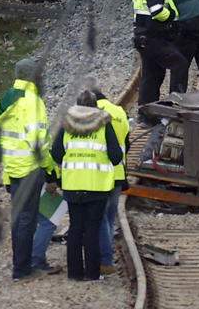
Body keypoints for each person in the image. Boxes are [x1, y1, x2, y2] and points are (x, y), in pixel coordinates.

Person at [50, 95, 123, 282]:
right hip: (97, 186)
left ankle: (74, 274)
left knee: (75, 228)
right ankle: (92, 274)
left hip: (73, 184)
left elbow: (56, 153)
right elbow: (115, 157)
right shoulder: (104, 124)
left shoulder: (67, 125)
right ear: (95, 106)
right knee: (92, 229)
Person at [0, 54, 53, 281]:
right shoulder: (33, 102)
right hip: (30, 168)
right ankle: (22, 269)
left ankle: (19, 265)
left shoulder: (5, 100)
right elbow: (39, 141)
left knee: (19, 219)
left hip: (12, 168)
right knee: (27, 220)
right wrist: (50, 169)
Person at [131, 0, 181, 112]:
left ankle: (147, 112)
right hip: (152, 39)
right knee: (179, 64)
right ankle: (176, 105)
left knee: (153, 75)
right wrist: (172, 14)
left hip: (145, 37)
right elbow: (157, 11)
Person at [92, 88, 131, 275]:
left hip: (100, 173)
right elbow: (127, 143)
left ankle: (105, 259)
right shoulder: (119, 112)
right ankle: (106, 253)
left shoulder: (93, 114)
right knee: (109, 216)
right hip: (118, 171)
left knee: (100, 218)